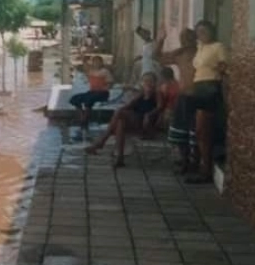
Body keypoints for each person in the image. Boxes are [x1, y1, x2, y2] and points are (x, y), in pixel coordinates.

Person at [183, 20, 228, 184]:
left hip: (210, 88)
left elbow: (224, 68)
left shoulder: (218, 47)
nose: (202, 34)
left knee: (204, 131)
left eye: (205, 31)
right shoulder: (200, 48)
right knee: (198, 131)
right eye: (199, 32)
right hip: (199, 87)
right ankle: (200, 164)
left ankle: (206, 170)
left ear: (212, 31)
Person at [85, 72, 160, 167]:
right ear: (142, 83)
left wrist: (149, 115)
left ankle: (102, 141)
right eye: (145, 81)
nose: (148, 83)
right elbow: (129, 105)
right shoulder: (141, 94)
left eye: (150, 81)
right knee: (120, 122)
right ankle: (120, 158)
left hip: (144, 122)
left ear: (154, 83)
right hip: (135, 120)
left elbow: (160, 107)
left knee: (119, 112)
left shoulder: (157, 94)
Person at [154, 25, 198, 173]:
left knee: (195, 132)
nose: (186, 40)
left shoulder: (201, 53)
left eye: (189, 37)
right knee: (180, 131)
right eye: (183, 38)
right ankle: (185, 161)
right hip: (184, 96)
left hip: (198, 96)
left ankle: (194, 163)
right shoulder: (180, 54)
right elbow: (157, 58)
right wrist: (161, 40)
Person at [69, 56, 113, 129]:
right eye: (95, 62)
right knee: (74, 99)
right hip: (92, 92)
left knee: (89, 100)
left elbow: (110, 83)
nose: (96, 64)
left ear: (101, 63)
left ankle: (85, 120)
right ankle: (82, 116)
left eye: (98, 62)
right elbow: (85, 66)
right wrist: (84, 60)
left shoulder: (105, 71)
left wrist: (105, 88)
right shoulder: (91, 71)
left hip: (102, 93)